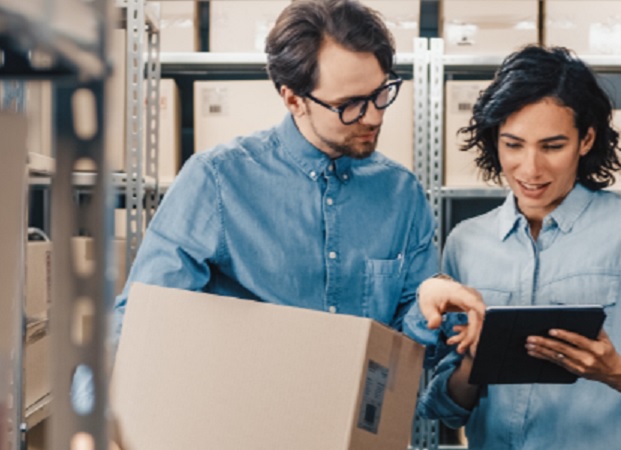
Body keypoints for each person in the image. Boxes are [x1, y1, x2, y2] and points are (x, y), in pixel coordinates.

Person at [109, 0, 483, 353]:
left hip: (363, 420)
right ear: (293, 100)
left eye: (380, 93)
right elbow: (141, 322)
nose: (373, 116)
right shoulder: (217, 181)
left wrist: (425, 306)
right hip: (247, 416)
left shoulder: (402, 193)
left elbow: (408, 340)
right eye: (349, 104)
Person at [415, 45, 621, 449]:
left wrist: (613, 370)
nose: (530, 169)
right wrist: (475, 361)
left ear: (585, 140)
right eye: (513, 144)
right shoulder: (466, 242)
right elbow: (446, 409)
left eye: (552, 146)